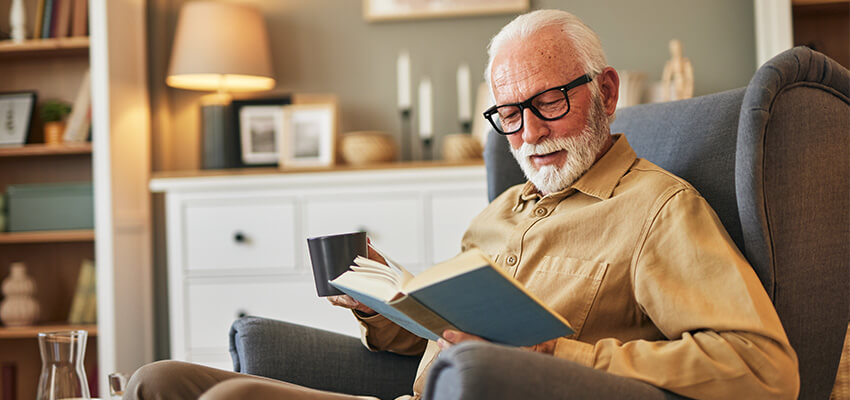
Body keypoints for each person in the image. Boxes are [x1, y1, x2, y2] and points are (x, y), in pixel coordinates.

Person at [125, 9, 800, 400]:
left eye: (550, 104)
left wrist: (559, 355)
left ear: (606, 92)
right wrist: (385, 303)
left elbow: (764, 366)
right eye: (510, 114)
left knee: (231, 398)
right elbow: (446, 333)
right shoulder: (503, 208)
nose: (529, 135)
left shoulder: (657, 210)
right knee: (162, 381)